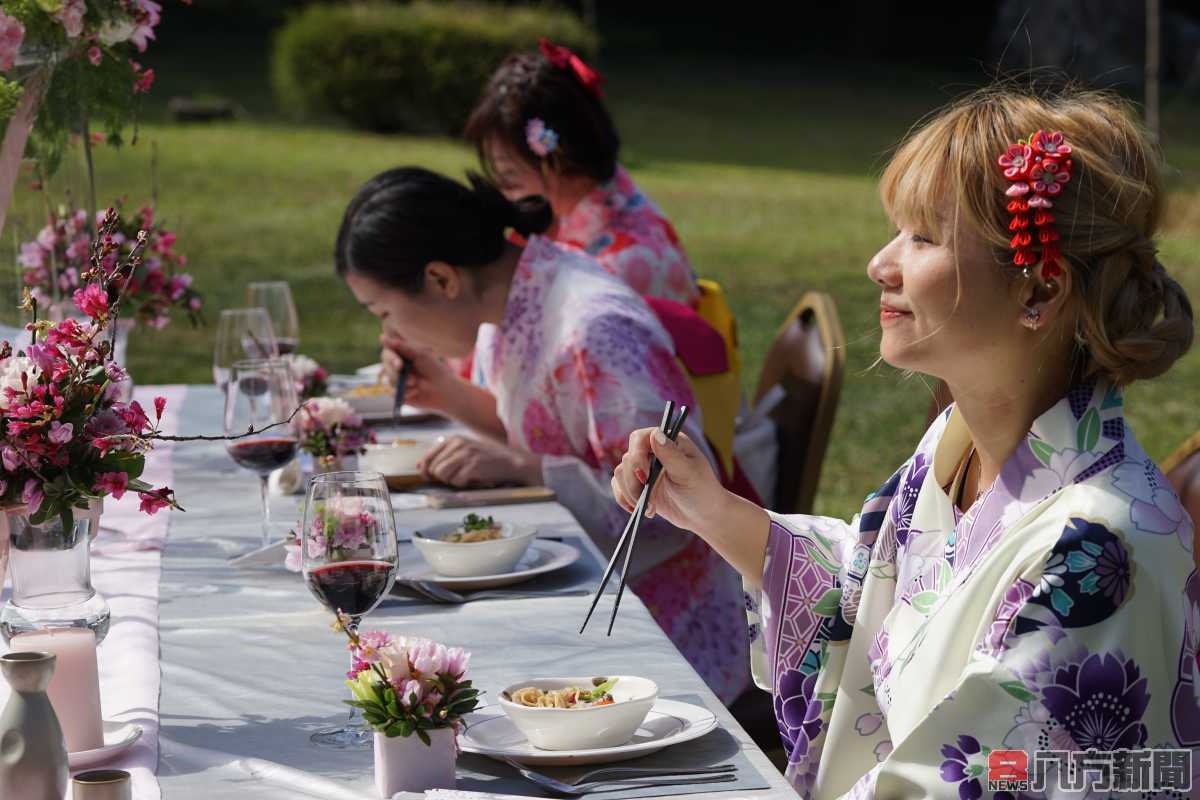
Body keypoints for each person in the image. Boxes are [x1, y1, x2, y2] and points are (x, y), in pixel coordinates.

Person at [611, 86, 1198, 797]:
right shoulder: (957, 446)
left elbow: (981, 779)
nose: (879, 264)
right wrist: (710, 509)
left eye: (922, 237)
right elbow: (876, 596)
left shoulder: (1100, 548)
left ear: (1039, 290)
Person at [335, 166, 751, 703]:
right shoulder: (522, 290)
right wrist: (446, 394)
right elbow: (546, 432)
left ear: (441, 279)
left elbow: (677, 510)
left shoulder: (595, 327)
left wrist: (529, 471)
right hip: (585, 586)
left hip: (660, 621)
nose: (390, 334)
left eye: (385, 312)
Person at [463, 38, 699, 307]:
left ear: (559, 159)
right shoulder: (586, 212)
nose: (503, 191)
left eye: (508, 175)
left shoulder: (621, 265)